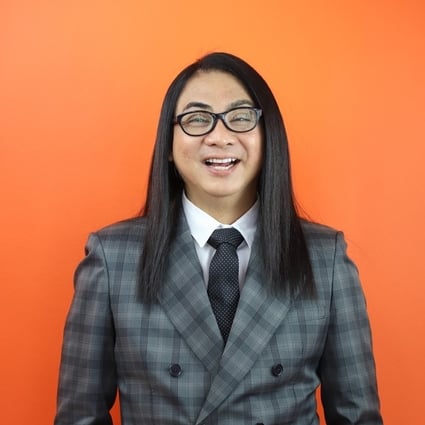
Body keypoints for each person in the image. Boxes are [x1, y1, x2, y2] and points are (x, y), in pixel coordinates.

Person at [54, 52, 383, 425]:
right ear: (168, 145)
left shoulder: (325, 259)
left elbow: (357, 418)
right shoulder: (113, 258)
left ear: (268, 136)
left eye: (240, 117)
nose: (220, 137)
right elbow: (79, 417)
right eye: (197, 119)